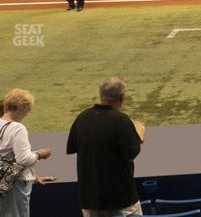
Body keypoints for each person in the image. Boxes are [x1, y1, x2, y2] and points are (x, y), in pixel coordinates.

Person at [67, 77, 143, 217]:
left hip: (89, 199)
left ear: (101, 94)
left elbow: (75, 147)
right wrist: (139, 137)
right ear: (122, 96)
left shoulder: (82, 117)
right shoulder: (121, 120)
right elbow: (132, 152)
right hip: (120, 199)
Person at [0, 89, 54, 217]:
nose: (26, 114)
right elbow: (23, 159)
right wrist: (39, 154)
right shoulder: (17, 128)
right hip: (14, 185)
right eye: (27, 110)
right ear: (20, 107)